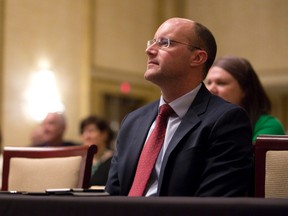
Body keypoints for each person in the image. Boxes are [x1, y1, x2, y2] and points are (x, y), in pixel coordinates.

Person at [105, 17, 254, 197]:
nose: (149, 50)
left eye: (165, 43)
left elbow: (215, 204)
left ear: (197, 57)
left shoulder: (226, 120)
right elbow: (112, 196)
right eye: (152, 42)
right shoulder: (133, 121)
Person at [205, 56, 286, 142]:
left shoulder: (268, 125)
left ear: (244, 90)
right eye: (209, 82)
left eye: (221, 83)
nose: (211, 89)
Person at [79, 115, 114, 186]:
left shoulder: (114, 160)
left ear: (104, 134)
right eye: (84, 131)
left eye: (91, 131)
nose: (87, 136)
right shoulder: (79, 160)